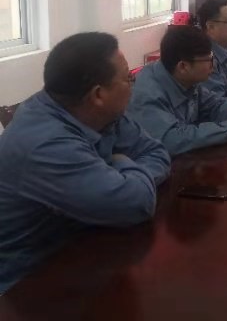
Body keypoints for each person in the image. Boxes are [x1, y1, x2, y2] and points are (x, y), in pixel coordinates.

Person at [0, 32, 170, 293]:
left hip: (84, 246)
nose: (133, 84)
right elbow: (135, 204)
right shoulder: (45, 144)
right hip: (26, 285)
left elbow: (156, 152)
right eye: (128, 78)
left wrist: (121, 177)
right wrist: (122, 165)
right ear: (98, 94)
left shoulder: (99, 112)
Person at [127, 25, 227, 156]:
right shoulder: (147, 93)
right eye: (209, 60)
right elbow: (173, 140)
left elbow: (214, 105)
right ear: (183, 66)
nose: (213, 66)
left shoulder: (186, 79)